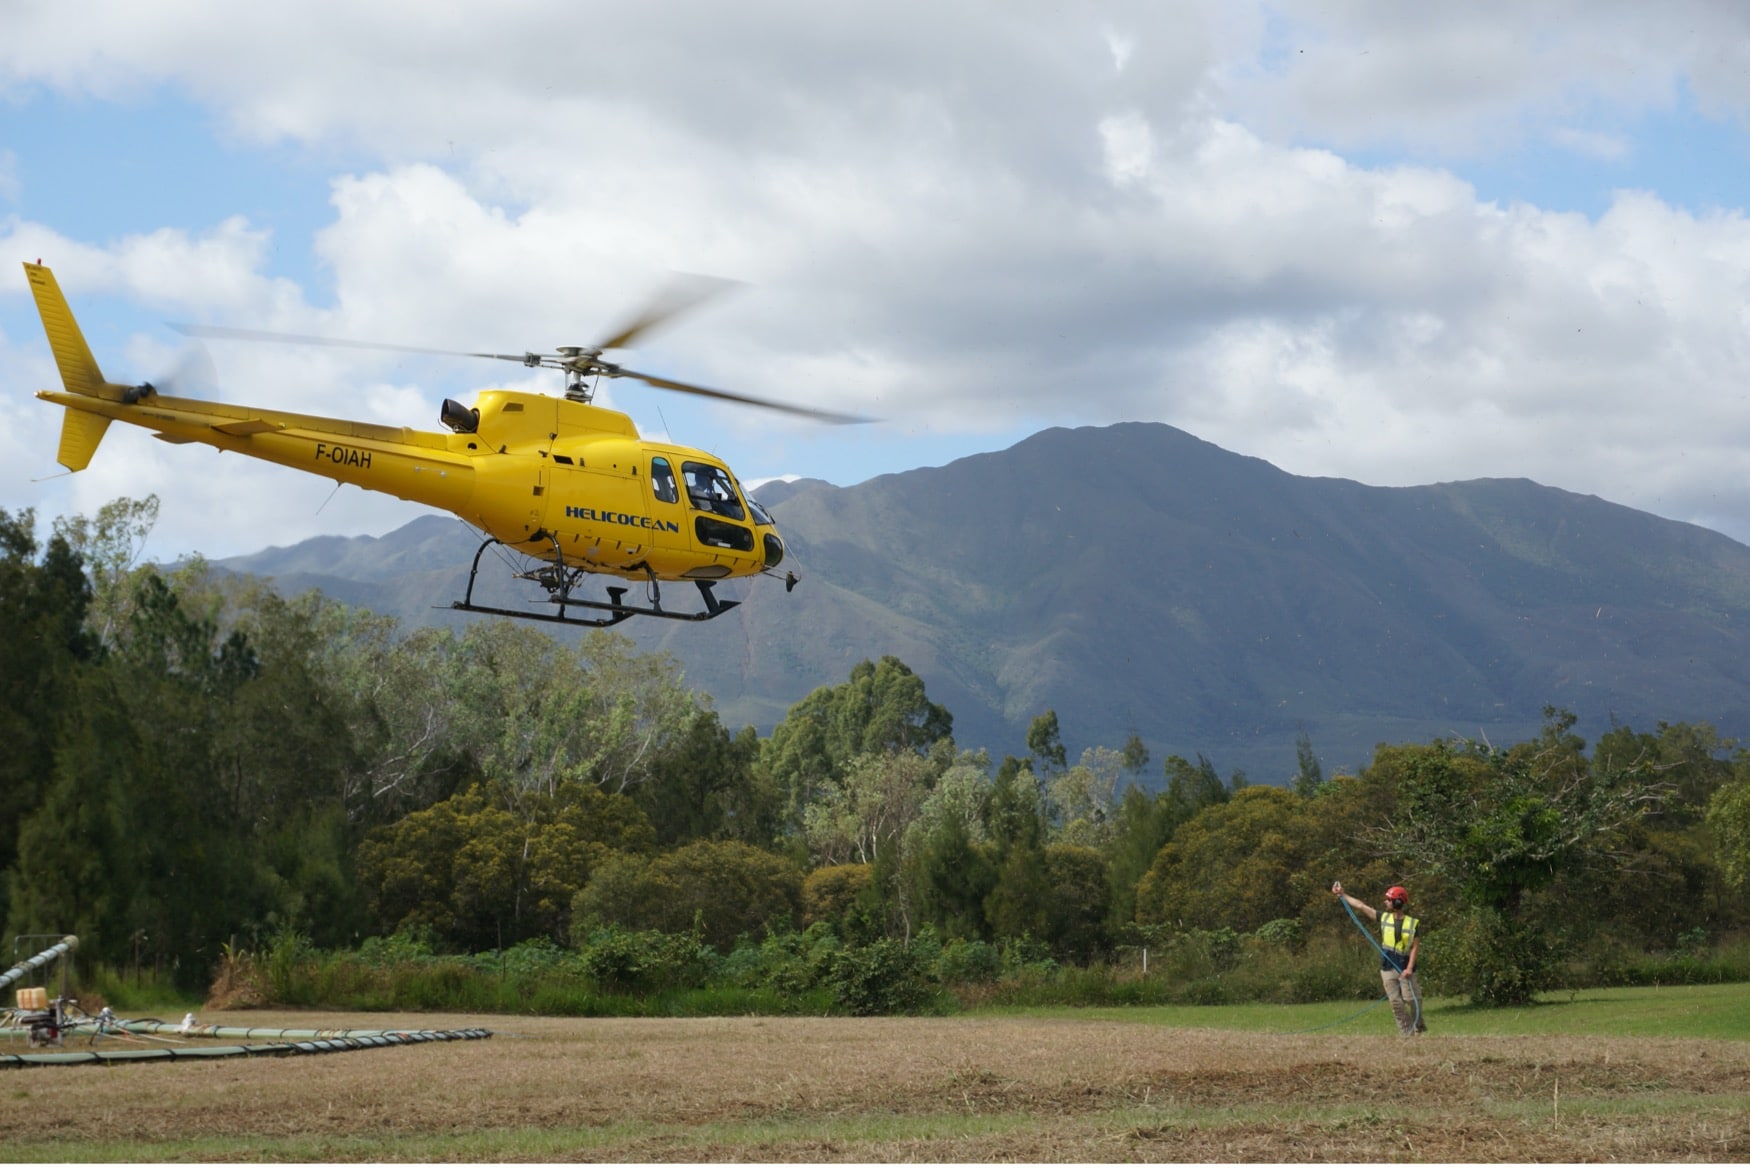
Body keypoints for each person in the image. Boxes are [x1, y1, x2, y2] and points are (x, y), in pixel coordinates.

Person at [1332, 881, 1426, 1036]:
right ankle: (1407, 1033)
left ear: (1397, 902)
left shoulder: (1412, 923)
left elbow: (1415, 947)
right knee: (1395, 1003)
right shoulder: (1384, 917)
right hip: (1387, 967)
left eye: (1389, 899)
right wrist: (1343, 895)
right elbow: (1361, 906)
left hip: (1405, 967)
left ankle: (1418, 1026)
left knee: (1412, 999)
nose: (1385, 902)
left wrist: (1409, 968)